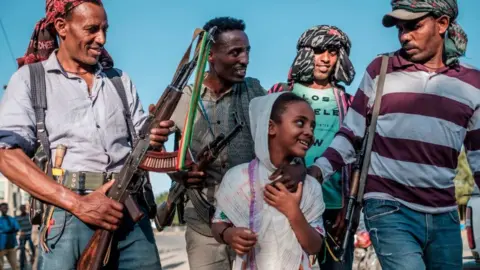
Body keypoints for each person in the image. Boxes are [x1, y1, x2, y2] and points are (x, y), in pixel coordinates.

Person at [0, 1, 173, 269]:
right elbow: (5, 155)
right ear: (61, 27)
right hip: (68, 214)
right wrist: (78, 204)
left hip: (130, 209)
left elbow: (142, 142)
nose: (101, 39)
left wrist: (154, 136)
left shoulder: (119, 80)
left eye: (105, 29)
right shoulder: (30, 80)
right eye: (91, 29)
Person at [308, 0, 479, 269]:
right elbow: (352, 134)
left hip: (444, 215)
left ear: (442, 24)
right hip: (389, 208)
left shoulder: (472, 83)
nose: (404, 36)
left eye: (414, 26)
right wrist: (317, 172)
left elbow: (477, 156)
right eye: (400, 28)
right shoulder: (382, 70)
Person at [168, 17, 303, 270]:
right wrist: (182, 173)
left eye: (247, 51)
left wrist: (297, 166)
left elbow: (283, 139)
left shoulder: (254, 92)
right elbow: (154, 155)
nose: (245, 60)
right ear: (210, 54)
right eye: (235, 52)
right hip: (203, 225)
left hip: (251, 223)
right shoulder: (183, 99)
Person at [269, 25, 356, 270]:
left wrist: (348, 209)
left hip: (334, 208)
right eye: (319, 51)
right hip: (286, 200)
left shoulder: (348, 102)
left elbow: (355, 156)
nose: (326, 59)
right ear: (306, 54)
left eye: (333, 52)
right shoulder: (280, 93)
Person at [211, 92, 325, 270]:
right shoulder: (238, 179)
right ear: (271, 127)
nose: (309, 132)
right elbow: (218, 223)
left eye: (312, 126)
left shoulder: (309, 186)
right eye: (300, 122)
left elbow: (315, 246)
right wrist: (229, 234)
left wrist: (293, 211)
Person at [0, 203, 20, 270]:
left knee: (15, 266)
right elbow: (12, 229)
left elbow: (17, 228)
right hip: (1, 247)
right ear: (0, 209)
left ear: (7, 209)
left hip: (11, 246)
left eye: (6, 208)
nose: (4, 209)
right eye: (3, 208)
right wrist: (10, 229)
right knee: (0, 265)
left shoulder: (12, 219)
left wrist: (4, 230)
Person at [15, 205, 35, 270]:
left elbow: (33, 224)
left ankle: (34, 261)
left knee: (33, 248)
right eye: (21, 208)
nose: (23, 210)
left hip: (30, 234)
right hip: (22, 235)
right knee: (22, 250)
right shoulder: (17, 217)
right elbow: (15, 227)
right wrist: (19, 232)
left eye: (24, 208)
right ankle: (22, 266)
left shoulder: (29, 216)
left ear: (25, 209)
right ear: (20, 209)